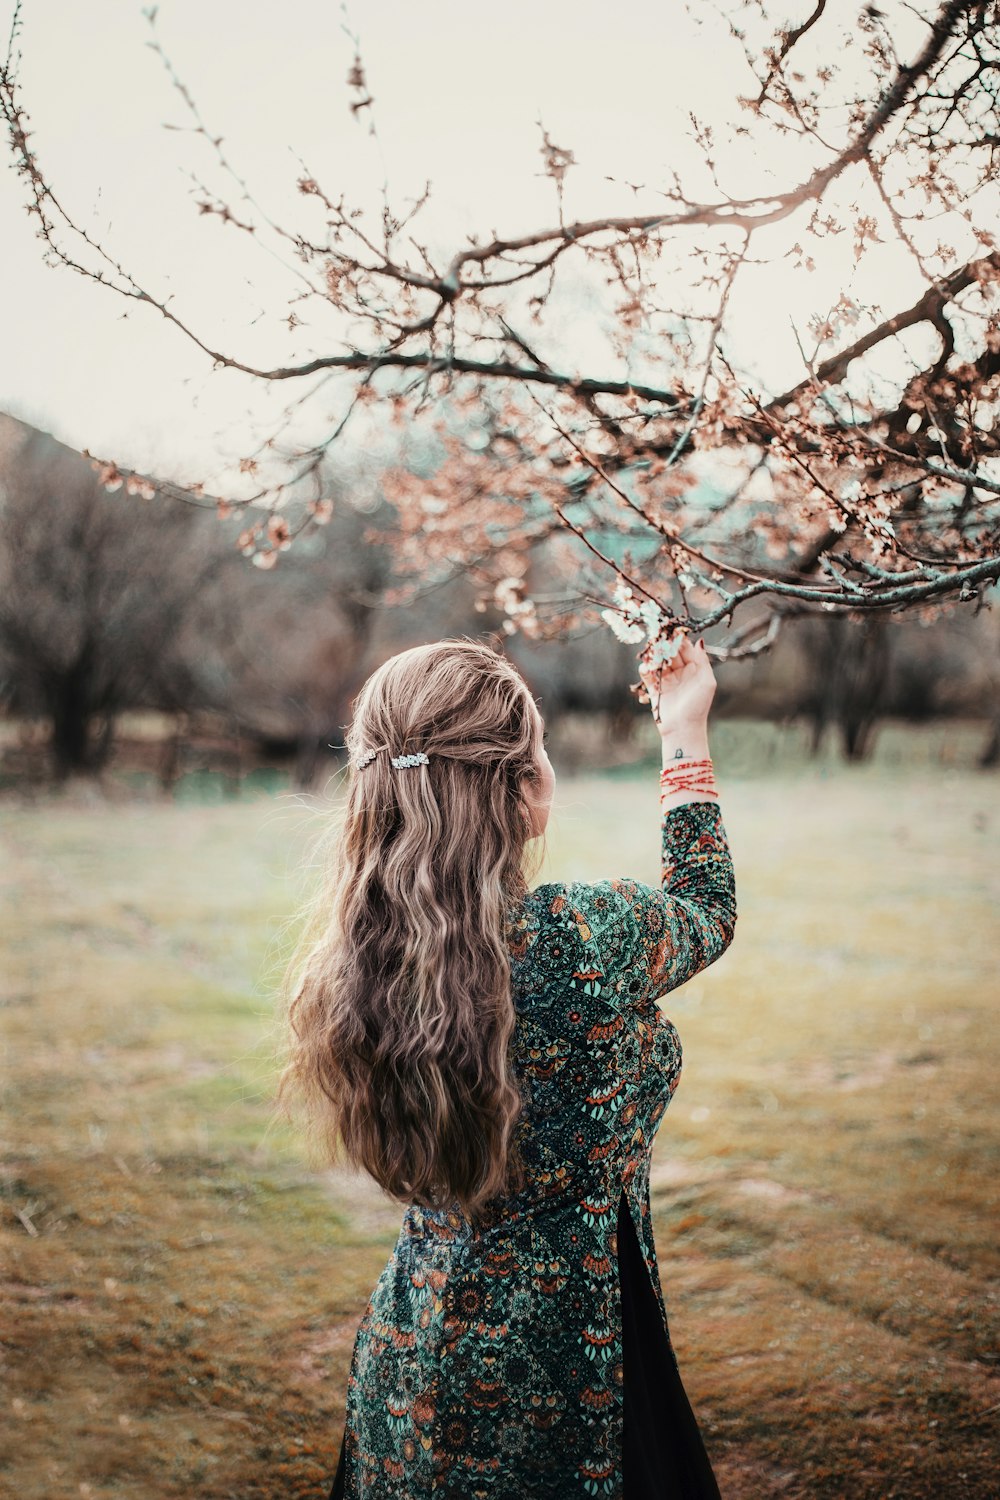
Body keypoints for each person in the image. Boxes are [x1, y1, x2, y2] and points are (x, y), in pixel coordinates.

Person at [279, 633, 737, 1499]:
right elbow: (706, 908)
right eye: (541, 750)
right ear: (522, 790)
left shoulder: (360, 961)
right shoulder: (578, 939)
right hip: (581, 1365)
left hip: (411, 1357)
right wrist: (684, 731)